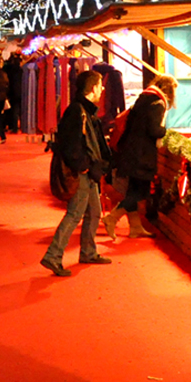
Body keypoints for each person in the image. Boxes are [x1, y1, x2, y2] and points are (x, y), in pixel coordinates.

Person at [41, 69, 113, 276]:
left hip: (87, 171)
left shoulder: (83, 110)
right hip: (81, 171)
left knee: (93, 211)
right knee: (75, 213)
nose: (103, 89)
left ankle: (88, 251)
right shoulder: (77, 112)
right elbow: (70, 145)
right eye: (100, 85)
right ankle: (53, 256)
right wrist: (84, 166)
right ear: (92, 89)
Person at [104, 75, 177, 240]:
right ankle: (112, 217)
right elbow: (154, 130)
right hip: (142, 155)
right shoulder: (157, 104)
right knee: (139, 192)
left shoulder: (143, 98)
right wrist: (166, 131)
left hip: (131, 152)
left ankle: (135, 227)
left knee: (133, 190)